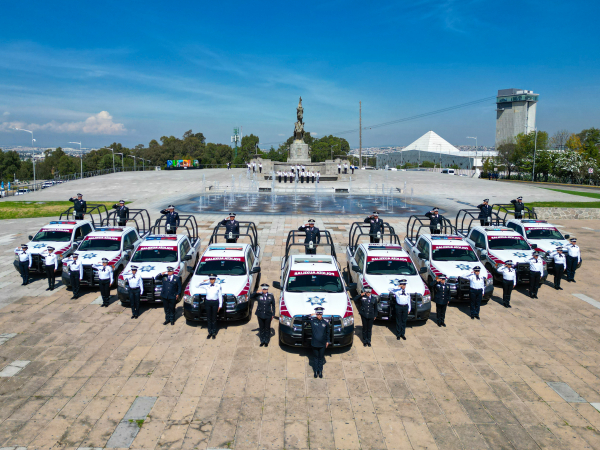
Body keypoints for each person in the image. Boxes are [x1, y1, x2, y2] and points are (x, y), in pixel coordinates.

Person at [310, 307, 330, 378]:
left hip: (322, 344)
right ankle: (315, 371)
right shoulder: (313, 321)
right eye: (318, 314)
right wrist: (311, 315)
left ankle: (320, 371)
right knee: (315, 358)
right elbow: (304, 319)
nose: (319, 316)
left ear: (322, 314)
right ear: (316, 314)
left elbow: (328, 332)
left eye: (320, 314)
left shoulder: (325, 323)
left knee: (321, 358)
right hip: (315, 343)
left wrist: (328, 341)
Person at [202, 274, 222, 338]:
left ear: (215, 279)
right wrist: (204, 281)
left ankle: (214, 332)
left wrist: (220, 305)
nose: (211, 280)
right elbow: (197, 285)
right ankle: (209, 332)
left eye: (213, 279)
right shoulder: (207, 285)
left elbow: (220, 296)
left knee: (214, 318)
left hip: (215, 302)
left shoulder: (218, 286)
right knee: (209, 318)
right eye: (210, 279)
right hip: (208, 302)